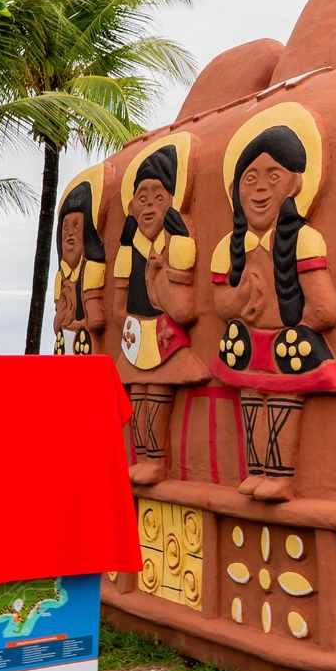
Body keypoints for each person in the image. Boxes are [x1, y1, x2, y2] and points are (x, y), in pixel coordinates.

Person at [210, 105, 336, 502]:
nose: (260, 189)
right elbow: (221, 304)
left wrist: (294, 329)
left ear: (295, 183)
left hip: (287, 344)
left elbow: (325, 307)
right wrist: (242, 297)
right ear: (235, 187)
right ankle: (257, 470)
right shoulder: (228, 247)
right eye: (250, 178)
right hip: (247, 343)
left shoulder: (304, 240)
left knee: (282, 407)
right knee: (252, 404)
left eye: (273, 176)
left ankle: (280, 475)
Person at [111, 137, 207, 485]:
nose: (149, 206)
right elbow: (118, 306)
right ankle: (141, 457)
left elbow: (184, 311)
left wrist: (157, 281)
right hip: (137, 335)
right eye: (142, 198)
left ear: (172, 202)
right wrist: (129, 326)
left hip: (165, 333)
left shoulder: (177, 246)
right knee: (138, 395)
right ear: (131, 205)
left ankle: (156, 460)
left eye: (159, 198)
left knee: (159, 393)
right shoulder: (127, 251)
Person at [51, 169, 107, 357]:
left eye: (76, 227)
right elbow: (57, 323)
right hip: (65, 340)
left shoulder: (91, 268)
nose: (69, 234)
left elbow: (96, 319)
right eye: (65, 228)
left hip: (86, 340)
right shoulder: (60, 277)